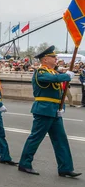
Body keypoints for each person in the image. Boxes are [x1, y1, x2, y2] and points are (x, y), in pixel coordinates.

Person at [18, 46, 81, 177]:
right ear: (45, 59)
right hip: (43, 110)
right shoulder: (40, 72)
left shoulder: (54, 73)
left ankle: (65, 167)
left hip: (54, 111)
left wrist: (61, 108)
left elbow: (59, 94)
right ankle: (25, 164)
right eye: (53, 57)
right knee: (35, 138)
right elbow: (50, 79)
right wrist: (65, 75)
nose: (56, 59)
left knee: (61, 140)